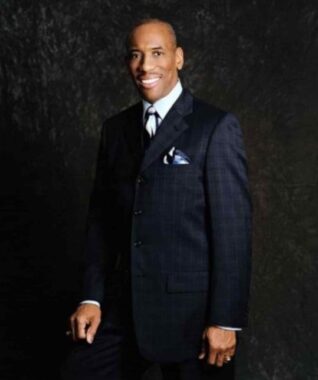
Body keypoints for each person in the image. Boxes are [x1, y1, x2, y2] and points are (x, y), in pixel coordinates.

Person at [61, 18, 252, 380]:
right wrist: (92, 298)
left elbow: (233, 230)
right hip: (125, 308)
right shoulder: (116, 130)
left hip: (192, 317)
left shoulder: (214, 127)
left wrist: (225, 320)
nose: (145, 66)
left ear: (178, 58)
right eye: (136, 55)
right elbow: (101, 222)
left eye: (157, 53)